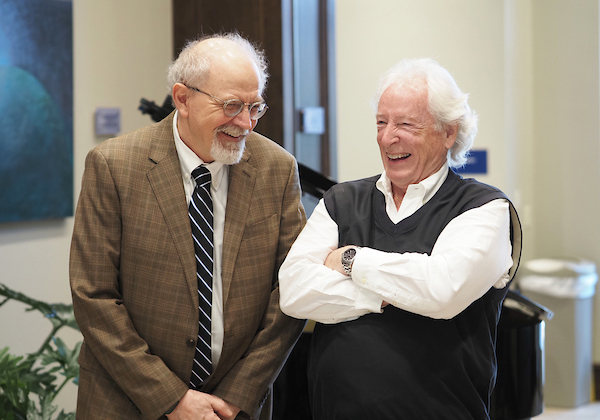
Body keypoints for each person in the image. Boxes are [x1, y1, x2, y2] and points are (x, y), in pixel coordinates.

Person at [70, 33, 306, 420]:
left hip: (234, 407)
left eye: (254, 107)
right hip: (126, 402)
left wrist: (238, 394)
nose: (245, 123)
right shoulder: (114, 166)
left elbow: (291, 291)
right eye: (231, 106)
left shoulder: (277, 169)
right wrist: (172, 399)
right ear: (183, 98)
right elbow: (93, 295)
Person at [279, 58, 522, 420]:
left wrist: (350, 260)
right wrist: (393, 293)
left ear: (448, 132)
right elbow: (294, 291)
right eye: (381, 122)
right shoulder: (342, 201)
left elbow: (442, 291)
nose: (387, 137)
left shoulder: (485, 208)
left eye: (405, 124)